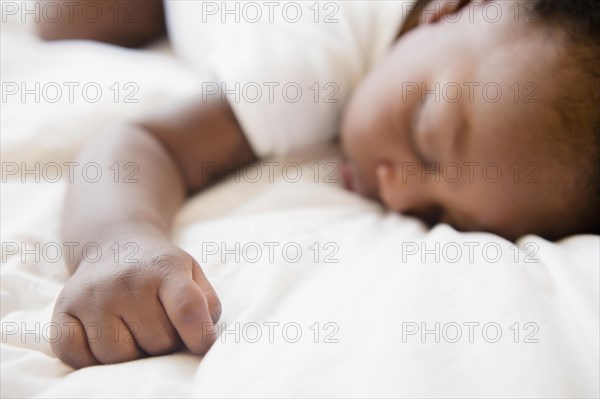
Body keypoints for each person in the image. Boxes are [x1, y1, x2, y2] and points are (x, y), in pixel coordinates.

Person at [36, 0, 599, 368]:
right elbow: (141, 144)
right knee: (67, 17)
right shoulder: (310, 64)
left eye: (440, 214)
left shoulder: (462, 60)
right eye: (426, 136)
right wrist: (117, 240)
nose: (398, 193)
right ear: (449, 11)